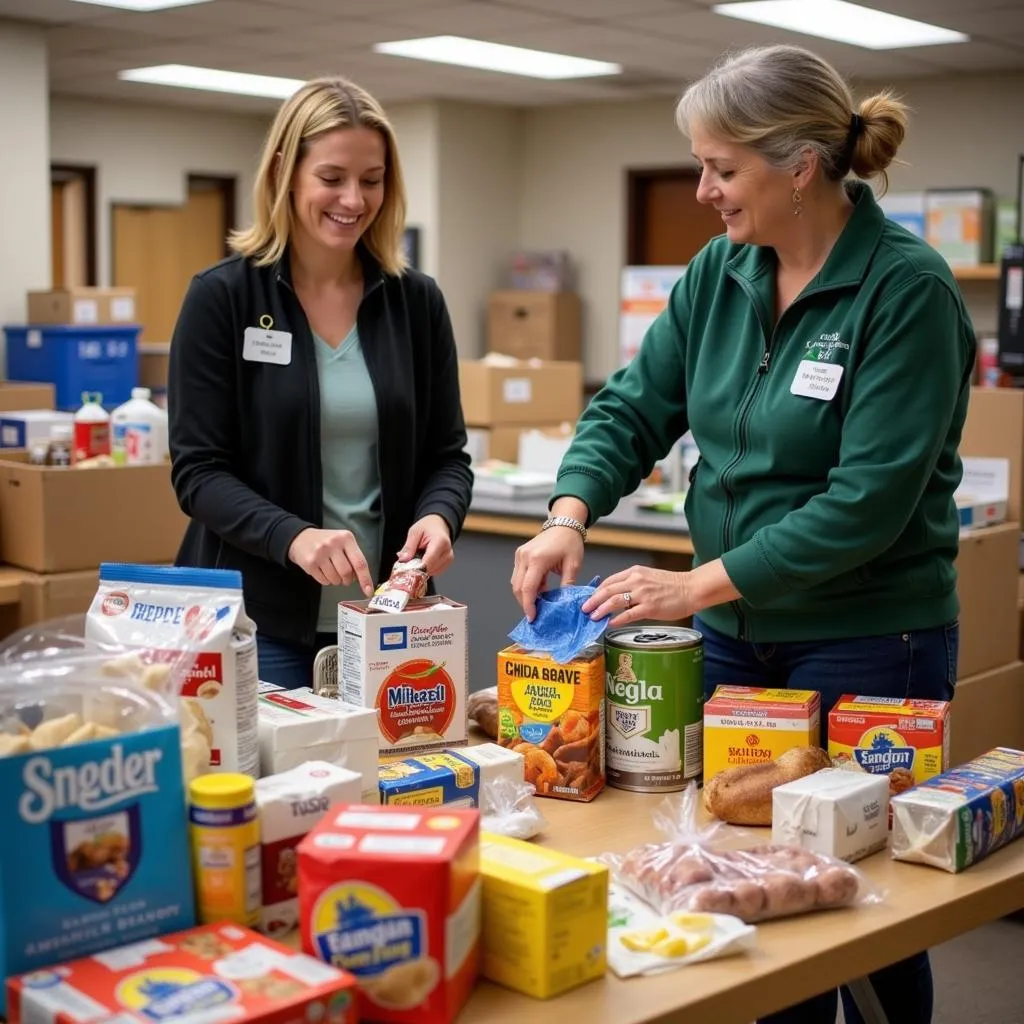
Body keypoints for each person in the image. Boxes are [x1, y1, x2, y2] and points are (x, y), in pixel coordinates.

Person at [511, 45, 975, 1024]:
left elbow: (867, 501)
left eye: (721, 167)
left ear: (799, 166)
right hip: (737, 631)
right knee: (746, 879)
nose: (702, 189)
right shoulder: (718, 275)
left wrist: (694, 585)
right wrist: (568, 514)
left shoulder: (906, 293)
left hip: (869, 636)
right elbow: (631, 408)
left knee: (862, 900)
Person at [169, 76, 473, 689]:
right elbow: (198, 472)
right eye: (332, 177)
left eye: (372, 178)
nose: (354, 199)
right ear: (286, 172)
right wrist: (294, 537)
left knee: (398, 783)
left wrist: (440, 516)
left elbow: (448, 457)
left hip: (395, 620)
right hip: (261, 622)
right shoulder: (223, 298)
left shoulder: (415, 303)